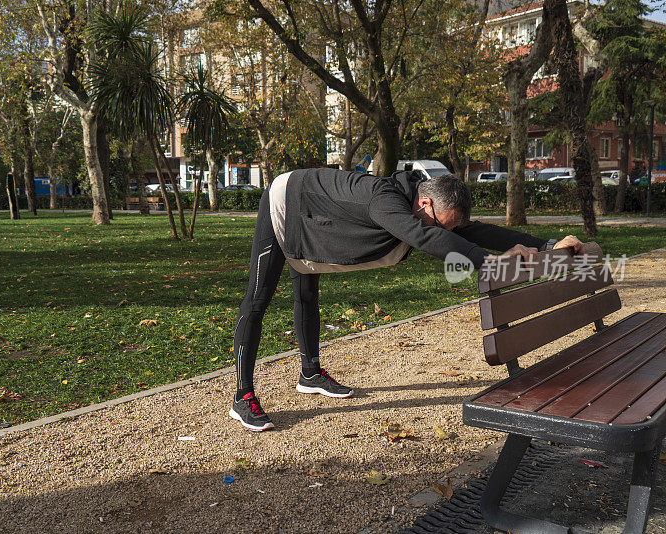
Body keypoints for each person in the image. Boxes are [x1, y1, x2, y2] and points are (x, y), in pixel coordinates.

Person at [228, 168, 584, 431]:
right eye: (441, 224)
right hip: (287, 201)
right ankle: (242, 396)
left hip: (318, 214)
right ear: (425, 203)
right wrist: (488, 261)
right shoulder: (385, 201)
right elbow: (423, 236)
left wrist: (546, 245)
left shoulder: (421, 202)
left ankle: (309, 374)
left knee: (306, 292)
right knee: (257, 300)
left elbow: (473, 231)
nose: (444, 233)